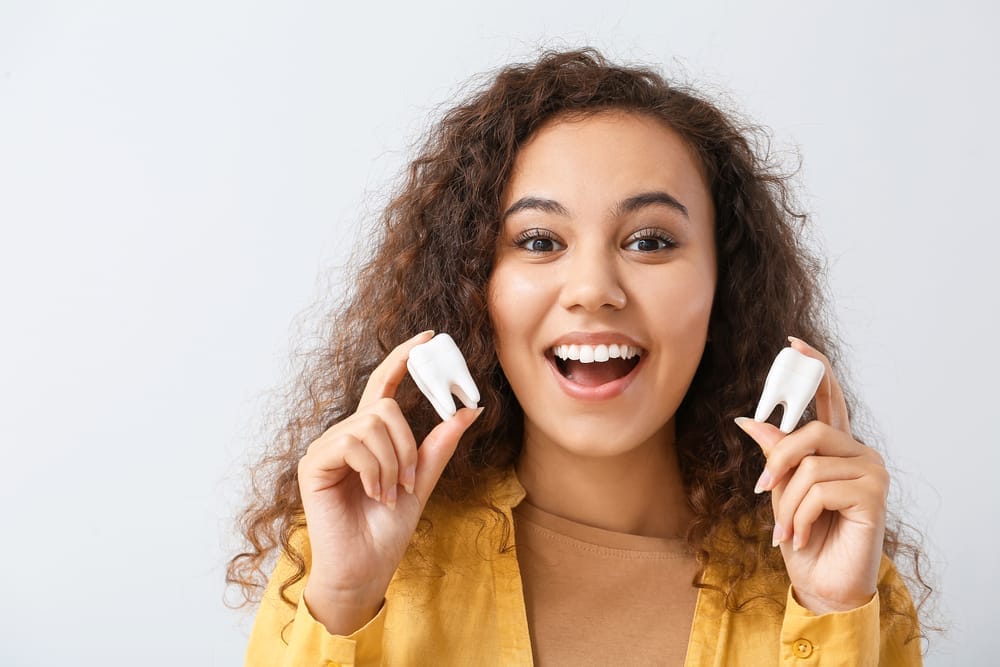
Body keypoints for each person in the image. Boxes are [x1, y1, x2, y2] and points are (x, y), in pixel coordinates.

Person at [228, 48, 929, 665]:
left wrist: (835, 614)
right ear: (473, 287)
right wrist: (346, 602)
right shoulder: (348, 563)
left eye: (650, 241)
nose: (593, 289)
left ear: (727, 283)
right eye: (538, 241)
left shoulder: (841, 583)